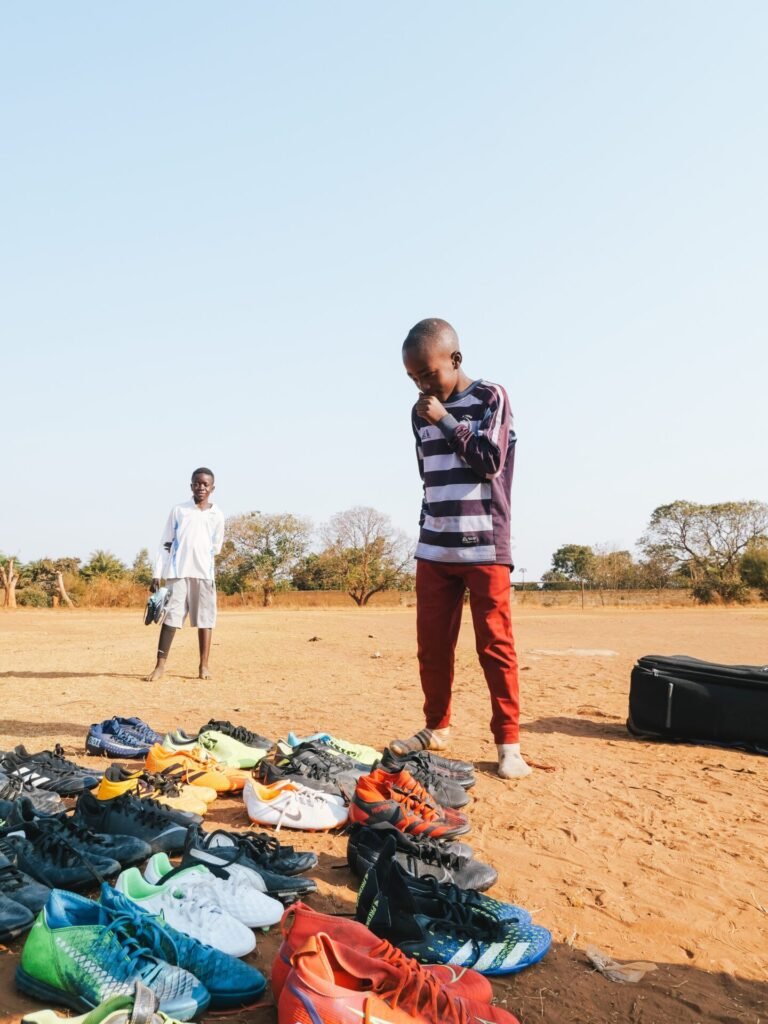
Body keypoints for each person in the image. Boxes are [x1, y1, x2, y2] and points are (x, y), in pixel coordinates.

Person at [389, 318, 531, 780]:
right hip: (434, 547)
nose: (422, 386)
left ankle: (508, 741)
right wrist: (427, 524)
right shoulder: (418, 413)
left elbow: (490, 462)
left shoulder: (491, 397)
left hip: (484, 544)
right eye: (413, 379)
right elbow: (429, 476)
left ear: (455, 359)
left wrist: (445, 419)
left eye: (429, 374)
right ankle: (436, 728)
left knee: (495, 646)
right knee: (432, 648)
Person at [145, 467, 225, 682]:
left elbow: (216, 546)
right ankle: (160, 666)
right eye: (197, 483)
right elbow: (165, 542)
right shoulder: (179, 510)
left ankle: (204, 665)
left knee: (205, 620)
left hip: (204, 575)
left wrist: (200, 553)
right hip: (177, 573)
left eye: (205, 484)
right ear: (191, 486)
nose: (201, 487)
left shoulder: (217, 515)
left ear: (212, 488)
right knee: (171, 618)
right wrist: (157, 573)